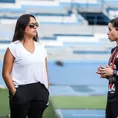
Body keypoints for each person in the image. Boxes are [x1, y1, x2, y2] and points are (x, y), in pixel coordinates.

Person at [2, 14, 49, 118]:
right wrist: (15, 92)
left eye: (36, 24)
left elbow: (45, 72)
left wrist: (46, 91)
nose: (35, 27)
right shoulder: (13, 48)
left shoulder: (42, 48)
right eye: (32, 25)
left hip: (40, 92)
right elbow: (5, 73)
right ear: (22, 28)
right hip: (21, 91)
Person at [96, 17, 118, 118]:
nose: (107, 33)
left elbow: (114, 72)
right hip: (112, 96)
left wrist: (113, 72)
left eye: (110, 29)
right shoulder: (113, 50)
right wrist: (106, 74)